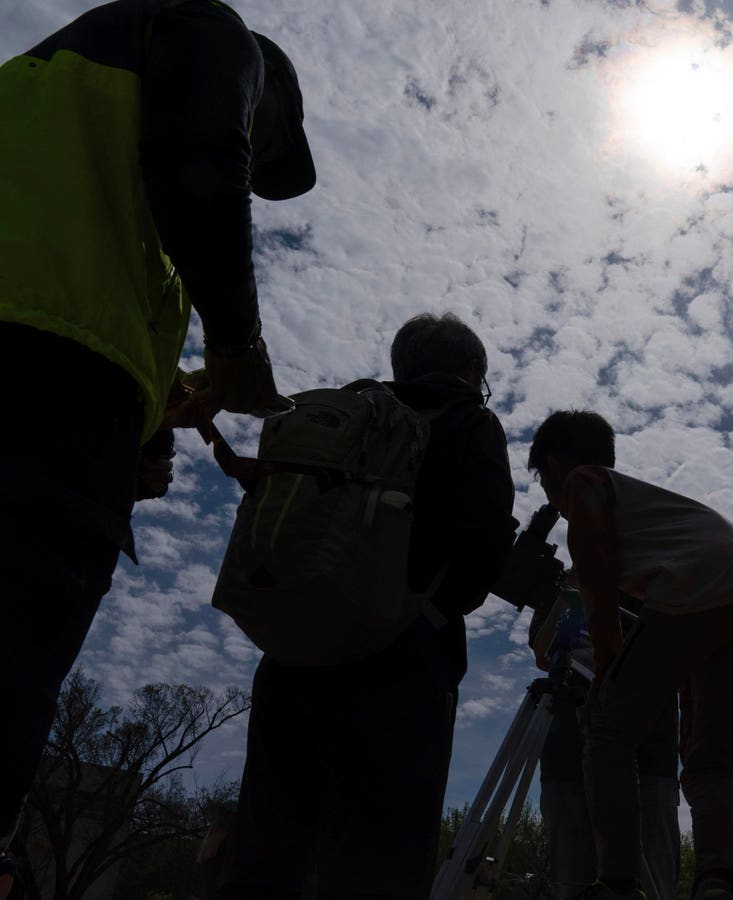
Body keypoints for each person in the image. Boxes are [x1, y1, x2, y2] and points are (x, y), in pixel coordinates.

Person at [0, 0, 315, 862]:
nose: (254, 172)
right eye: (267, 145)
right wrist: (240, 349)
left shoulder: (53, 114)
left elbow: (80, 279)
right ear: (267, 90)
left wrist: (149, 416)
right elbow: (206, 173)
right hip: (44, 397)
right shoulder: (207, 30)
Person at [217, 312, 517, 899]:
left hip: (291, 650)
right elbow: (481, 545)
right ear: (471, 369)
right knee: (379, 855)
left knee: (266, 845)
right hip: (401, 655)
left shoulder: (348, 413)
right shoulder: (470, 422)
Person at [527, 410, 733, 900]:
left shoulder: (584, 484)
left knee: (606, 727)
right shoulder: (648, 506)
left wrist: (607, 671)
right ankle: (717, 881)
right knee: (708, 759)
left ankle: (619, 883)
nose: (551, 502)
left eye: (543, 483)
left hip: (697, 589)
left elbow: (599, 597)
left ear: (555, 466)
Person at [529, 592, 681, 900]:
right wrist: (571, 600)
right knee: (571, 874)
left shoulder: (662, 580)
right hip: (567, 751)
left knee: (652, 873)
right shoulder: (567, 588)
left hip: (648, 752)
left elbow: (680, 653)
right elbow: (542, 652)